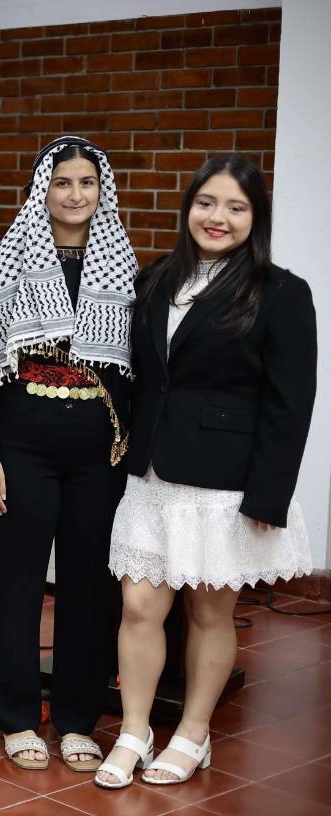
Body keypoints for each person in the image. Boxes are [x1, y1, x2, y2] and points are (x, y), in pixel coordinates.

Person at [95, 155, 316, 789]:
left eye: (236, 207)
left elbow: (290, 403)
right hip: (151, 475)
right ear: (188, 207)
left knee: (209, 612)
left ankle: (194, 732)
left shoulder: (281, 292)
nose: (217, 217)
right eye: (207, 203)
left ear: (256, 218)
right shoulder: (158, 278)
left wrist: (268, 496)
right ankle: (135, 731)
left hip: (223, 483)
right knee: (139, 605)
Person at [0, 136, 137, 772]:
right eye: (62, 183)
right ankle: (17, 715)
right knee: (19, 580)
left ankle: (81, 717)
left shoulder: (122, 261)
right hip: (23, 438)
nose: (75, 194)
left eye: (87, 182)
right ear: (43, 190)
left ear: (102, 190)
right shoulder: (13, 256)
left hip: (98, 447)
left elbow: (135, 370)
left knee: (91, 581)